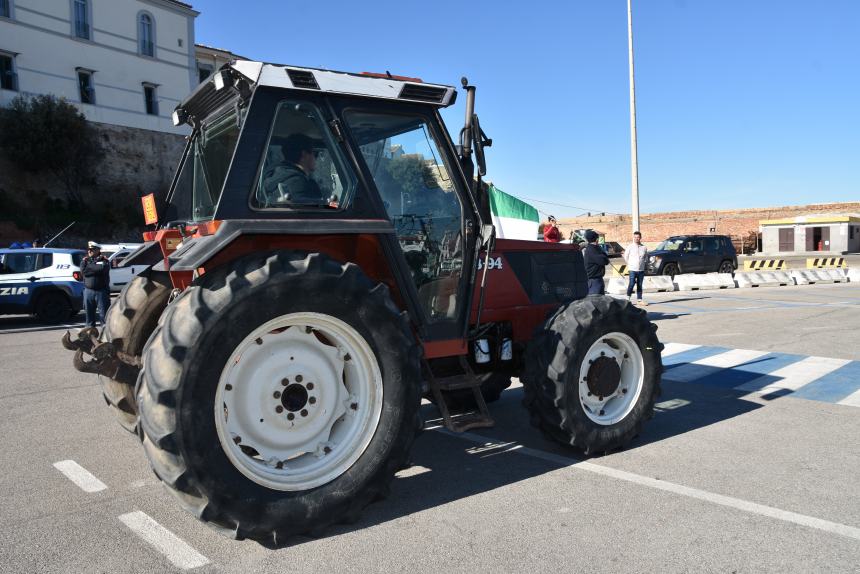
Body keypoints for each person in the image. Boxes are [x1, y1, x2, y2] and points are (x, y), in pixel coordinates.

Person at [261, 133, 324, 204]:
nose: (316, 158)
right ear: (304, 155)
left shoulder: (275, 177)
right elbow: (310, 213)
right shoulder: (299, 183)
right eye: (315, 154)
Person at [81, 241, 111, 328]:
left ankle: (105, 336)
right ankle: (90, 335)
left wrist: (90, 268)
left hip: (101, 291)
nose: (89, 251)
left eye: (92, 250)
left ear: (98, 250)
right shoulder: (85, 261)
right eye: (89, 250)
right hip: (88, 291)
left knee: (103, 316)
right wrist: (95, 268)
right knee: (89, 317)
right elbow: (83, 271)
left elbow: (103, 269)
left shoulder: (104, 260)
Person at [624, 231, 648, 306]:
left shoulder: (644, 247)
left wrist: (644, 264)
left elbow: (646, 257)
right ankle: (627, 298)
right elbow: (626, 256)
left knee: (640, 284)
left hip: (641, 269)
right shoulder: (630, 246)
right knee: (631, 283)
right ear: (633, 238)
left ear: (640, 238)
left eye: (638, 237)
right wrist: (630, 264)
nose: (636, 238)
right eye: (635, 237)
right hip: (632, 269)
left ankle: (639, 300)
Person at [583, 230, 609, 295]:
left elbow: (605, 259)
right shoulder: (591, 249)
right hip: (594, 281)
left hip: (598, 279)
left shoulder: (595, 248)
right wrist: (603, 253)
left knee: (601, 302)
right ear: (596, 239)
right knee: (595, 301)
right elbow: (604, 261)